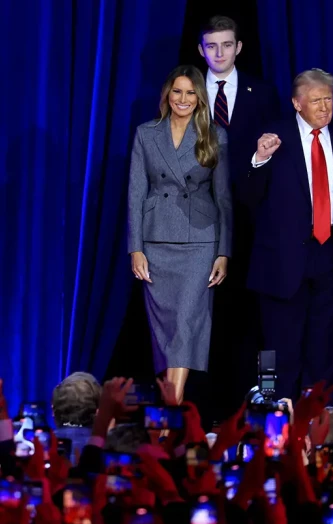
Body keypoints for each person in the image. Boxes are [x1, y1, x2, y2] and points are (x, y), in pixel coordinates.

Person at [239, 68, 333, 400]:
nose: (324, 107)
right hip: (282, 261)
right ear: (297, 103)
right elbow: (247, 197)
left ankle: (321, 422)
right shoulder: (273, 136)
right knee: (277, 349)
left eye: (329, 99)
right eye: (316, 100)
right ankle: (273, 414)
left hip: (332, 254)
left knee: (324, 348)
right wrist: (259, 159)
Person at [127, 64, 232, 405]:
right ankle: (172, 408)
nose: (182, 99)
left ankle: (173, 404)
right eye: (177, 92)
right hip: (156, 242)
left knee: (187, 322)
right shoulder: (146, 133)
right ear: (167, 95)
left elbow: (224, 199)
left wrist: (223, 252)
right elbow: (135, 194)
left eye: (190, 93)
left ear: (199, 98)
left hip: (199, 243)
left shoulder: (215, 135)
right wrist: (136, 248)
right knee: (167, 330)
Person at [197, 15, 281, 415]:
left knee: (245, 317)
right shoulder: (187, 91)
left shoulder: (262, 93)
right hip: (196, 221)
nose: (219, 53)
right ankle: (204, 406)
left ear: (239, 47)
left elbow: (274, 156)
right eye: (211, 46)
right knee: (200, 317)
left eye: (226, 45)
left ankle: (244, 408)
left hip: (249, 220)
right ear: (201, 50)